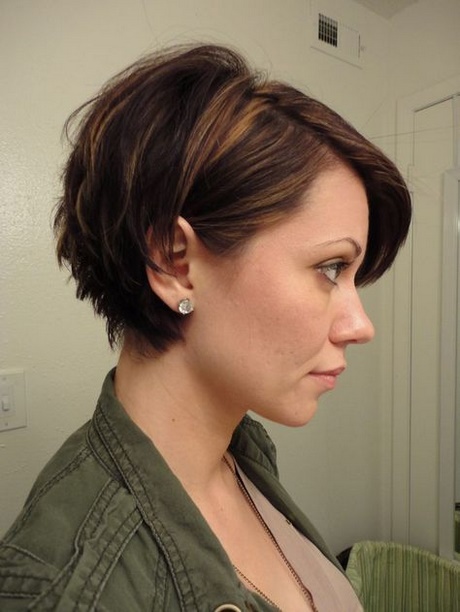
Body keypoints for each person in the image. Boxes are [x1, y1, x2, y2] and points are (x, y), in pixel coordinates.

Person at [0, 44, 411, 611]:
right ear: (174, 262)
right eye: (331, 267)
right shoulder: (71, 592)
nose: (360, 326)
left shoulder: (241, 451)